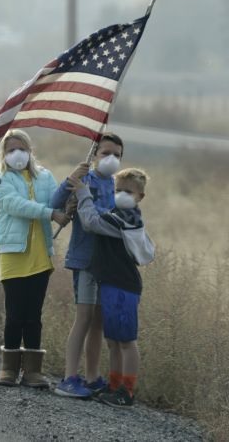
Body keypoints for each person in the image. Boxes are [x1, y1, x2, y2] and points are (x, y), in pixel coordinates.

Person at [67, 167, 153, 408]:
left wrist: (84, 195)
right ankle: (114, 385)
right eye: (118, 190)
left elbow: (92, 222)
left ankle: (127, 390)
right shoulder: (117, 213)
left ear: (140, 197)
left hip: (123, 287)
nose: (122, 194)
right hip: (112, 285)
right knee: (113, 340)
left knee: (126, 341)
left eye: (128, 191)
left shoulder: (127, 219)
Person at [0, 129, 69, 388]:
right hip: (14, 254)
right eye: (11, 150)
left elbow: (57, 201)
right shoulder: (1, 179)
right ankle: (9, 369)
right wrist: (50, 214)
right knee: (15, 313)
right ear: (4, 154)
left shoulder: (45, 177)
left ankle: (33, 372)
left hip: (40, 255)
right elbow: (15, 205)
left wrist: (73, 187)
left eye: (21, 148)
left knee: (34, 314)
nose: (17, 154)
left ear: (30, 150)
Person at [52, 132, 124, 399]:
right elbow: (54, 203)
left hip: (107, 264)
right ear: (94, 156)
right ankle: (69, 377)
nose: (111, 159)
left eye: (117, 155)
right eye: (106, 153)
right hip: (85, 261)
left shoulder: (117, 186)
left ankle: (92, 377)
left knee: (98, 323)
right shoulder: (84, 180)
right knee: (83, 319)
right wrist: (72, 179)